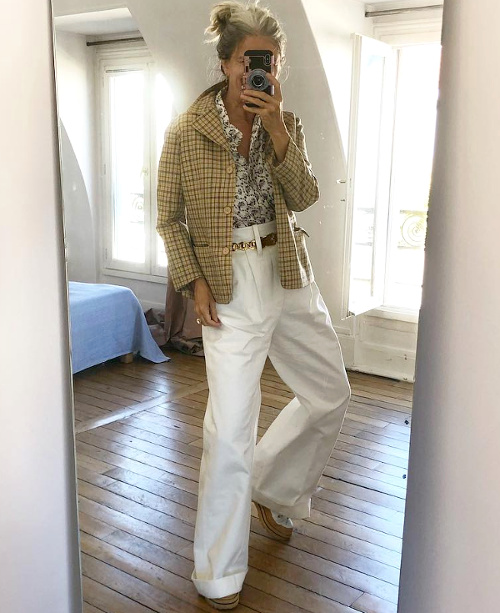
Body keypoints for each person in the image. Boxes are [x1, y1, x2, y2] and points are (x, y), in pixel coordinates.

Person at [156, 1, 351, 609]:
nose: (259, 70)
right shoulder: (187, 131)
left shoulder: (282, 122)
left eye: (270, 60)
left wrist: (278, 133)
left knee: (330, 392)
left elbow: (306, 195)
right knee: (230, 430)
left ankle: (274, 486)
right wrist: (194, 282)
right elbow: (168, 218)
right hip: (228, 282)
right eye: (249, 60)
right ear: (225, 63)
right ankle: (217, 572)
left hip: (287, 270)